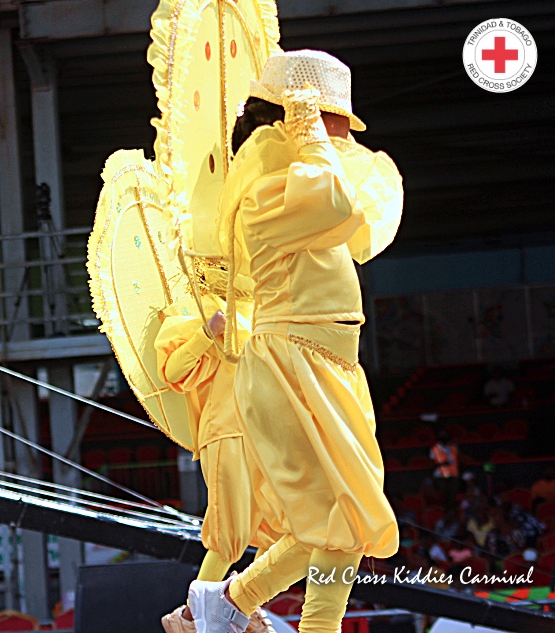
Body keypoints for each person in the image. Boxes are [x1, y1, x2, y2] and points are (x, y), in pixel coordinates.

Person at [186, 50, 402, 633]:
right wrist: (309, 130)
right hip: (290, 363)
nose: (340, 132)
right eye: (331, 118)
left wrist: (310, 136)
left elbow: (354, 212)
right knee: (338, 518)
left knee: (349, 518)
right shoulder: (266, 195)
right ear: (295, 117)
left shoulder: (301, 182)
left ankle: (231, 601)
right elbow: (335, 197)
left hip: (330, 363)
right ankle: (271, 614)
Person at [155, 297, 283, 633]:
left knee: (285, 532)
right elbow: (173, 371)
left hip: (268, 430)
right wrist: (207, 332)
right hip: (226, 429)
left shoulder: (265, 303)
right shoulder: (192, 308)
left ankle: (239, 602)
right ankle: (192, 618)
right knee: (231, 533)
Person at [429, 430, 460, 513]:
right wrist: (442, 464)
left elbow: (457, 460)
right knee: (443, 498)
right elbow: (431, 464)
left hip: (453, 476)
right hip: (440, 477)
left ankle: (453, 512)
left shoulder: (452, 448)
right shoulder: (435, 449)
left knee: (453, 498)